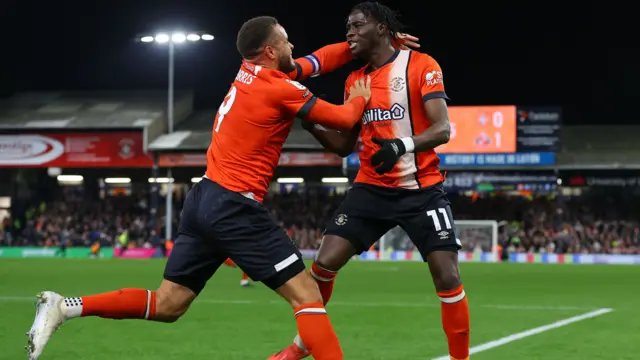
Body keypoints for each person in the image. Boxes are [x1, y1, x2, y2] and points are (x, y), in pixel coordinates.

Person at [25, 15, 377, 360]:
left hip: (203, 197)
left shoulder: (248, 73)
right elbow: (345, 119)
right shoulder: (278, 87)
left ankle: (66, 307)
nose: (293, 46)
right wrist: (360, 97)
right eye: (286, 41)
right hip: (234, 205)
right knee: (308, 297)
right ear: (270, 51)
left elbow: (318, 61)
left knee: (169, 303)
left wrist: (354, 46)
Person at [270, 3, 470, 360]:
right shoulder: (355, 81)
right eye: (347, 26)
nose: (349, 32)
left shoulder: (422, 65)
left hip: (421, 189)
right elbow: (346, 145)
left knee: (447, 277)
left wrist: (402, 145)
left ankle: (461, 358)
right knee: (324, 262)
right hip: (371, 189)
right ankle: (304, 343)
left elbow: (443, 129)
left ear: (381, 28)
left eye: (357, 25)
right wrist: (313, 125)